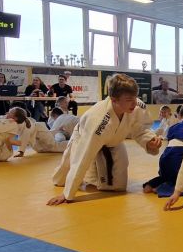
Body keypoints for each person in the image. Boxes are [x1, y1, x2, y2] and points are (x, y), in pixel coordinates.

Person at [48, 74, 163, 204]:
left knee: (118, 186)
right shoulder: (98, 120)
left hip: (113, 140)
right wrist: (67, 194)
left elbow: (139, 128)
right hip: (84, 138)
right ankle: (70, 177)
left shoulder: (136, 106)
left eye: (135, 97)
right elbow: (84, 156)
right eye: (129, 99)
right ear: (114, 99)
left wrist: (149, 140)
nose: (135, 103)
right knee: (62, 178)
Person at [145, 108, 183, 198]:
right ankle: (164, 188)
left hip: (165, 158)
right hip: (178, 157)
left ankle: (152, 184)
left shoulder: (174, 127)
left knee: (170, 176)